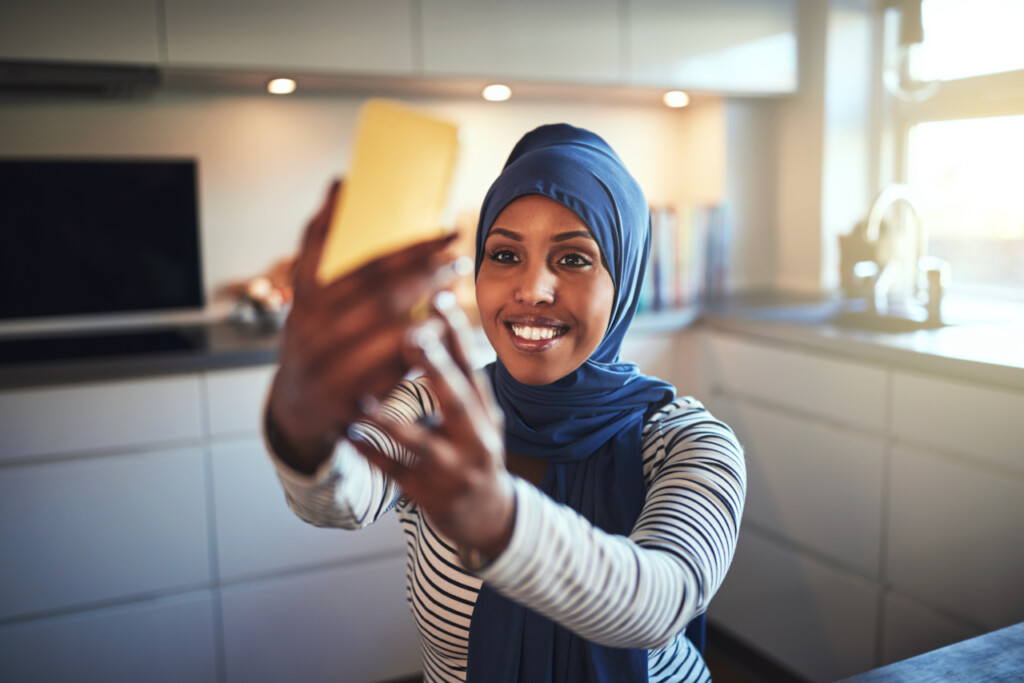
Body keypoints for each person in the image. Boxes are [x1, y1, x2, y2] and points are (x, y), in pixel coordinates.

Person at [264, 123, 746, 682]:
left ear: (626, 278)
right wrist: (302, 417)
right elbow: (338, 500)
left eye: (573, 260)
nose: (532, 290)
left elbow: (661, 606)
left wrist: (499, 520)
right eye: (504, 254)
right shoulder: (438, 407)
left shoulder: (688, 442)